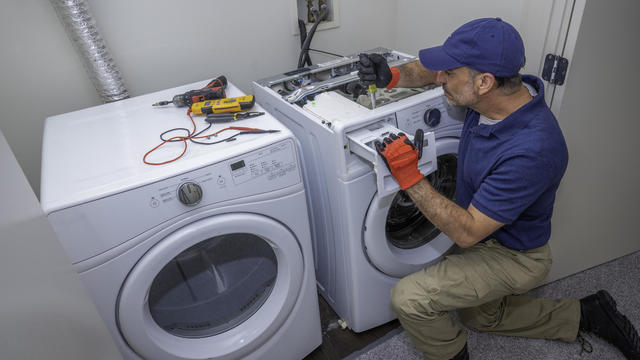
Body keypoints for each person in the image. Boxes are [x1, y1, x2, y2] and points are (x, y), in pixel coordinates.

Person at [358, 17, 640, 360]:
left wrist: (409, 176)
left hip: (514, 255)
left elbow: (467, 233)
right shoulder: (493, 96)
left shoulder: (533, 149)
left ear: (484, 82)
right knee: (482, 317)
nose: (440, 79)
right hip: (487, 233)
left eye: (450, 74)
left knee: (410, 298)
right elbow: (430, 71)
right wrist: (393, 76)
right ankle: (586, 313)